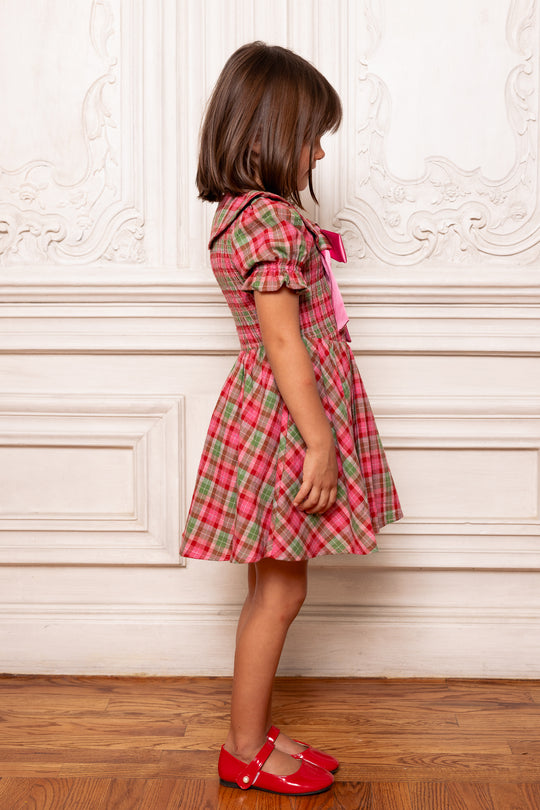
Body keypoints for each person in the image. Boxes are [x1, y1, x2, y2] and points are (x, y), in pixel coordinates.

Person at [180, 41, 404, 797]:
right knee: (279, 593)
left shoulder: (245, 215)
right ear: (272, 134)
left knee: (275, 589)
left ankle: (255, 734)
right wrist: (319, 441)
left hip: (273, 414)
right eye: (311, 136)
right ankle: (243, 749)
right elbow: (282, 340)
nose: (315, 154)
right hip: (284, 421)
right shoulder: (268, 222)